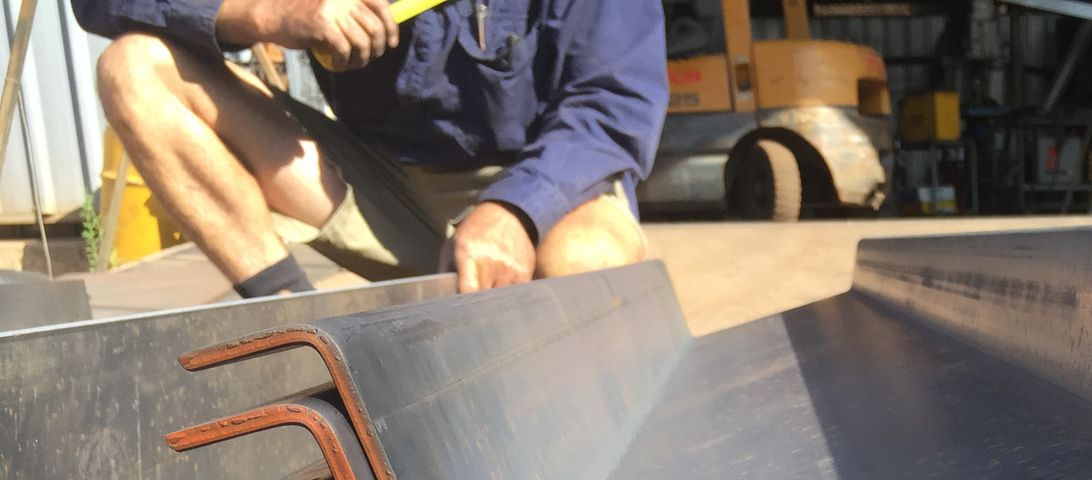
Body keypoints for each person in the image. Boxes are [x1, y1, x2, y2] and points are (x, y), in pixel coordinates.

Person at [73, 0, 666, 295]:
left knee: (587, 265)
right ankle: (300, 331)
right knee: (134, 68)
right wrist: (266, 14)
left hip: (543, 184)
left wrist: (514, 212)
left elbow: (615, 105)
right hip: (381, 187)